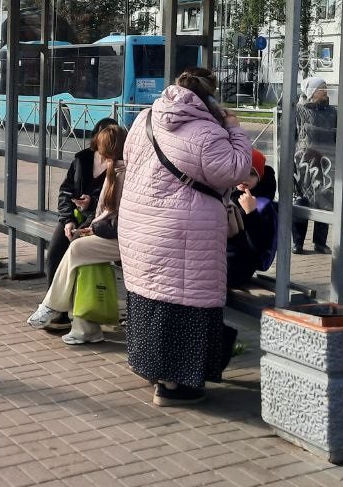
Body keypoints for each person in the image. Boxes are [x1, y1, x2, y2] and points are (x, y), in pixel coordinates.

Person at [118, 66, 252, 407]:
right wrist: (235, 129)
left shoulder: (146, 118)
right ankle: (174, 386)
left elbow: (129, 159)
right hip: (182, 236)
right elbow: (236, 169)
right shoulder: (206, 132)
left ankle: (152, 368)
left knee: (150, 298)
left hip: (141, 227)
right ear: (210, 96)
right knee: (182, 302)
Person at [28, 123, 127, 344]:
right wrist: (68, 220)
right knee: (58, 251)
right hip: (84, 221)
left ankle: (53, 307)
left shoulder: (122, 172)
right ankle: (69, 318)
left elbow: (113, 213)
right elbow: (66, 191)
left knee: (77, 249)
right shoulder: (83, 159)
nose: (99, 153)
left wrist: (91, 219)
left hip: (107, 229)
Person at [293, 76, 338, 254]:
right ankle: (297, 242)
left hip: (326, 162)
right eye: (322, 88)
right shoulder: (299, 110)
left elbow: (337, 135)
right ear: (312, 91)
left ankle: (320, 242)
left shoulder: (332, 112)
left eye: (326, 87)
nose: (325, 90)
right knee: (302, 201)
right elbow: (292, 135)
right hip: (304, 162)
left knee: (324, 200)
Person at [227, 149, 280, 288]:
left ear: (259, 177)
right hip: (221, 260)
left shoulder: (262, 205)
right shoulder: (229, 193)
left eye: (251, 173)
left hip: (238, 267)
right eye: (241, 171)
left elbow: (257, 249)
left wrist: (251, 213)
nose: (245, 177)